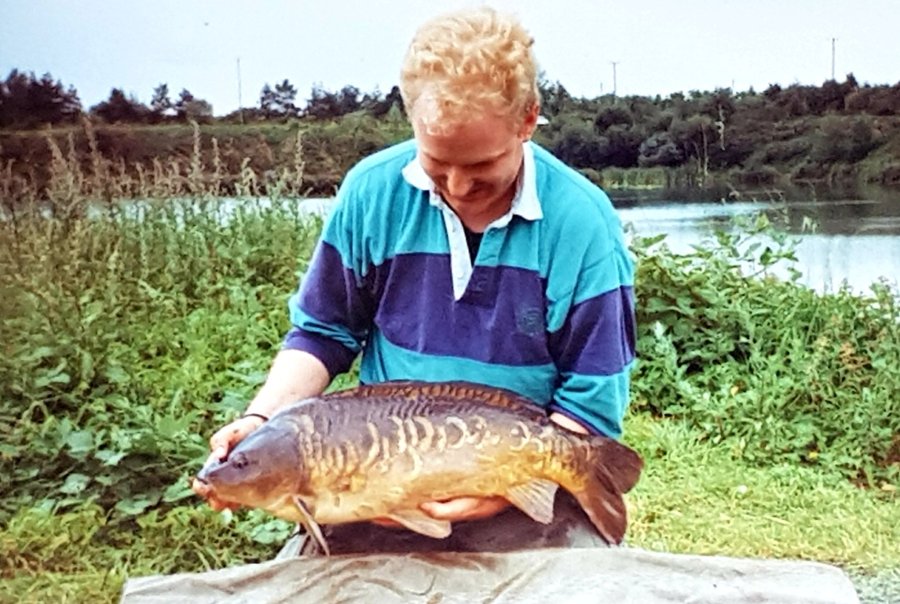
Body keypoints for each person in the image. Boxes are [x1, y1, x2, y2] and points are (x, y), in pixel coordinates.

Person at [193, 5, 636, 556]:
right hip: (374, 485)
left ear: (528, 121)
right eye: (437, 162)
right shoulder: (371, 193)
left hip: (523, 488)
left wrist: (498, 488)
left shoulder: (583, 223)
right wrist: (261, 421)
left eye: (482, 166)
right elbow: (322, 333)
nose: (458, 186)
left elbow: (591, 397)